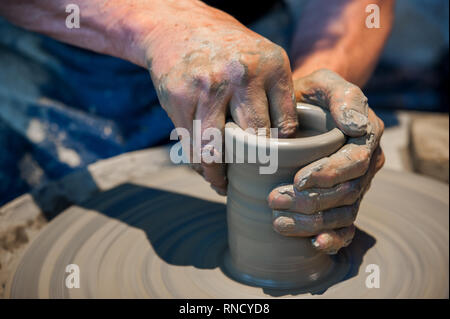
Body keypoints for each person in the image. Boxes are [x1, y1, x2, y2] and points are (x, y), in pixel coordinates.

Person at [0, 0, 392, 254]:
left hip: (249, 51)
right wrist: (161, 24)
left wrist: (306, 93)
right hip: (64, 51)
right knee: (52, 246)